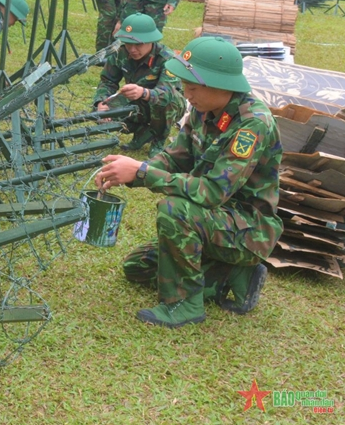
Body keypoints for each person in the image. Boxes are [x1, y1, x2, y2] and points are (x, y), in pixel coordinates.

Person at [96, 36, 282, 328]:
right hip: (215, 221)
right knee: (137, 267)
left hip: (249, 228)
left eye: (192, 87)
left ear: (221, 85)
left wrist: (142, 172)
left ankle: (184, 305)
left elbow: (212, 192)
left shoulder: (252, 124)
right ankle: (228, 274)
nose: (187, 94)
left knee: (174, 210)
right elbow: (175, 157)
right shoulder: (203, 109)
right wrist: (131, 170)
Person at [93, 13, 184, 156]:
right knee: (102, 116)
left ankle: (158, 140)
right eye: (128, 43)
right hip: (136, 101)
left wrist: (144, 93)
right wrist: (102, 101)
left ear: (151, 41)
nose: (132, 49)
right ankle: (143, 133)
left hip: (166, 103)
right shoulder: (120, 54)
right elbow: (108, 81)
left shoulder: (168, 59)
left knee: (167, 103)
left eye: (138, 44)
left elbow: (167, 94)